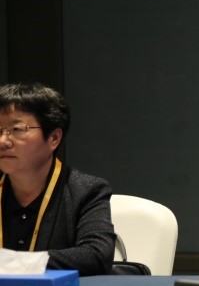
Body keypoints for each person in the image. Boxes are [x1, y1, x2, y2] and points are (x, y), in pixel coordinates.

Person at [0, 83, 115, 275]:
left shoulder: (86, 190)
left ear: (54, 138)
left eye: (17, 129)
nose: (3, 141)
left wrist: (18, 263)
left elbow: (97, 255)